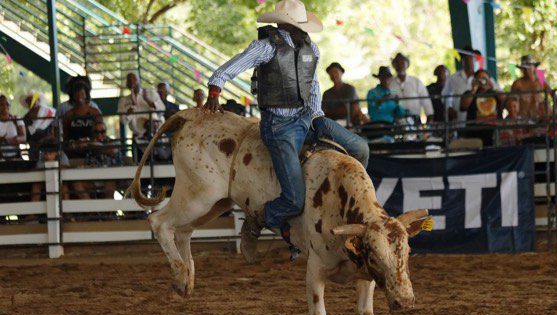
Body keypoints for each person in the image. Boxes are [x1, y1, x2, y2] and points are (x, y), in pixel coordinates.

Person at [204, 0, 369, 259]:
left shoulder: (310, 48)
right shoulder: (266, 47)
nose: (303, 30)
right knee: (294, 199)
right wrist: (216, 86)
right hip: (279, 127)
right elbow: (236, 63)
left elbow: (312, 84)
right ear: (287, 25)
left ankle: (351, 204)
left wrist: (316, 115)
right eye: (299, 25)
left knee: (360, 148)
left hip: (308, 119)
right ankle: (257, 221)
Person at [62, 80, 103, 198]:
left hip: (93, 152)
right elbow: (65, 136)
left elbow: (101, 132)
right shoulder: (68, 115)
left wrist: (90, 143)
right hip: (74, 153)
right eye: (77, 94)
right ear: (72, 96)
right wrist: (71, 144)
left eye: (82, 94)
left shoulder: (94, 112)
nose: (80, 97)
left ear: (86, 95)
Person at [460, 69, 504, 147]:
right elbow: (464, 106)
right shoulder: (469, 93)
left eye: (485, 78)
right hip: (475, 133)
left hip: (494, 133)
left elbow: (505, 100)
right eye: (479, 78)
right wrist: (474, 89)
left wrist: (493, 86)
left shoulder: (495, 93)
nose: (482, 81)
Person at [441, 46, 484, 124]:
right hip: (459, 120)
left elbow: (495, 90)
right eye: (465, 58)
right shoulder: (453, 78)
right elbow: (445, 95)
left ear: (474, 59)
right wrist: (449, 108)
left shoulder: (482, 77)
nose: (468, 61)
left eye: (471, 58)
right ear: (462, 60)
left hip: (478, 120)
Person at [117, 73, 165, 140]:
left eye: (134, 79)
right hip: (138, 137)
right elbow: (123, 121)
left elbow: (162, 110)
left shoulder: (151, 93)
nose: (132, 82)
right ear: (127, 84)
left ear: (139, 81)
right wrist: (132, 107)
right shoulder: (123, 101)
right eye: (129, 80)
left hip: (155, 134)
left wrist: (148, 101)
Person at [389, 53, 433, 122]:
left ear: (407, 64)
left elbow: (426, 101)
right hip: (397, 120)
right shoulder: (391, 83)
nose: (400, 65)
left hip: (415, 119)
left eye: (402, 62)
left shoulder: (416, 81)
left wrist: (429, 116)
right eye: (397, 62)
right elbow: (391, 98)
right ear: (394, 65)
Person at [510, 55, 556, 120]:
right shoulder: (518, 83)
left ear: (534, 67)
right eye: (524, 68)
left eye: (529, 67)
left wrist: (552, 115)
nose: (526, 70)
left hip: (540, 119)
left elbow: (556, 99)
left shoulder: (541, 80)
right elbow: (511, 103)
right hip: (523, 119)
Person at [20, 90, 56, 160]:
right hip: (34, 147)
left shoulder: (49, 112)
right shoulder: (26, 118)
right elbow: (26, 134)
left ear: (39, 100)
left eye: (34, 100)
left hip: (49, 146)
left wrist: (44, 140)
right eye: (29, 101)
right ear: (27, 103)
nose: (32, 102)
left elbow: (55, 131)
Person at [0, 94, 26, 161]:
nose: (5, 107)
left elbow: (23, 138)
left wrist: (8, 140)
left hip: (15, 156)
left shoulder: (16, 119)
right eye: (1, 105)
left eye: (7, 104)